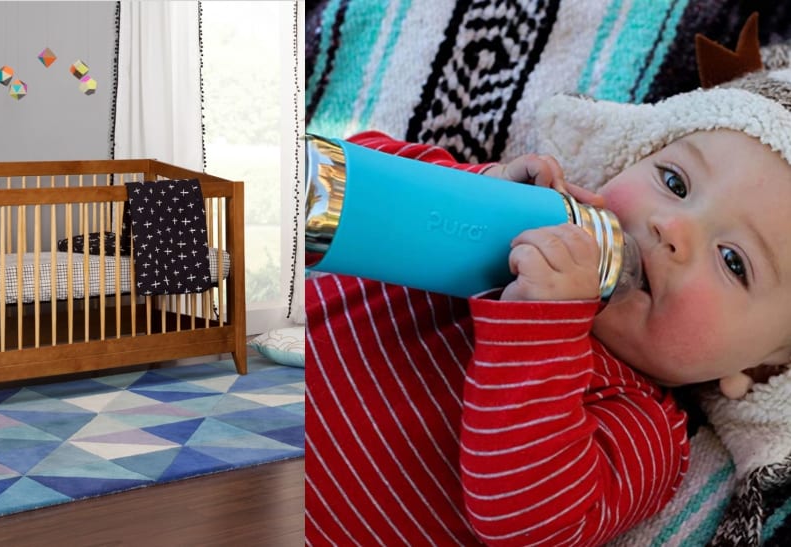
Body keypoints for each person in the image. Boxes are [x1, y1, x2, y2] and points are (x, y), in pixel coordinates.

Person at [304, 18, 791, 547]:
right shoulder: (508, 221)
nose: (672, 229)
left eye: (733, 261)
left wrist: (540, 329)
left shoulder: (643, 429)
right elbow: (340, 177)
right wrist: (472, 191)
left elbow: (531, 526)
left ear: (757, 370)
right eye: (674, 182)